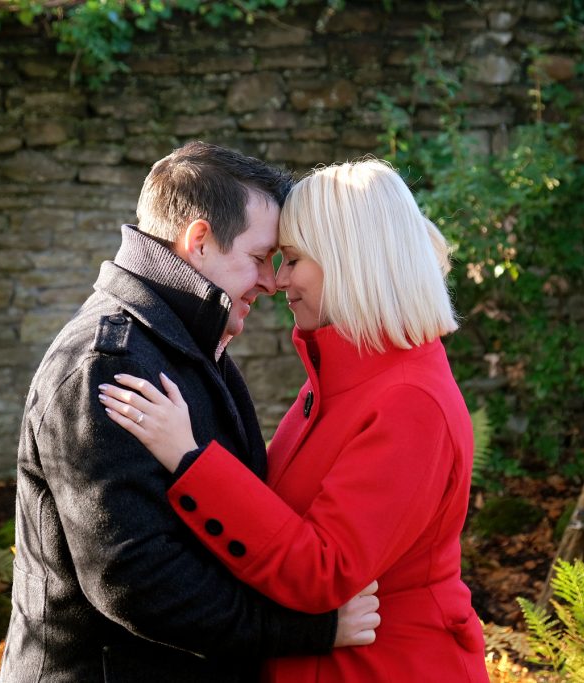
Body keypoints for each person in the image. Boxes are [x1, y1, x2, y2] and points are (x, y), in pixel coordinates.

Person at [0, 142, 381, 683]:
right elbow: (136, 582)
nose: (272, 282)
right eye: (258, 259)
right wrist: (309, 630)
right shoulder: (111, 366)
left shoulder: (185, 344)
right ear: (199, 240)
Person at [100, 159, 489, 682]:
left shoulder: (410, 399)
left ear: (348, 260)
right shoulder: (341, 377)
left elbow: (325, 569)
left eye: (292, 260)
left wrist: (189, 458)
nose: (279, 282)